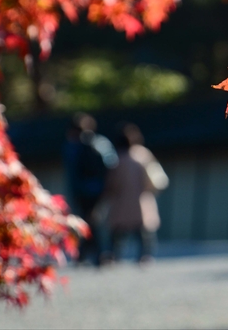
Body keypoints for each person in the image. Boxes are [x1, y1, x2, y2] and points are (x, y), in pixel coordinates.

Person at [104, 123, 168, 263]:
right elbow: (154, 178)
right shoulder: (143, 155)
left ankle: (114, 255)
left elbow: (112, 184)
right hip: (141, 199)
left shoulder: (117, 159)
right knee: (144, 233)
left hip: (121, 201)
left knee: (118, 232)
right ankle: (145, 256)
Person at [63, 113, 117, 266]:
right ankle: (91, 254)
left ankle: (93, 254)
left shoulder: (74, 145)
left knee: (88, 222)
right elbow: (111, 165)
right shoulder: (100, 142)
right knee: (91, 222)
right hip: (97, 190)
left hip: (84, 191)